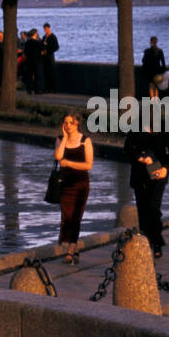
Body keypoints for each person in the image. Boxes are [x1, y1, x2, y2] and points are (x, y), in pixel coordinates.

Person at [123, 116, 169, 258]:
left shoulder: (166, 127)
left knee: (153, 206)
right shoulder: (136, 126)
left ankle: (157, 241)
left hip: (158, 173)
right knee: (142, 208)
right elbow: (127, 149)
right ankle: (148, 240)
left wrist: (166, 168)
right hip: (140, 174)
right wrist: (140, 158)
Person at [54, 111, 94, 262]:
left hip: (81, 185)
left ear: (77, 123)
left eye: (71, 122)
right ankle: (73, 248)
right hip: (64, 184)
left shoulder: (85, 141)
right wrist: (64, 138)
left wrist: (69, 163)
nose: (68, 125)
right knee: (66, 217)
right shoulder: (59, 139)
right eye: (65, 122)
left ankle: (70, 251)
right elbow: (58, 157)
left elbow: (89, 165)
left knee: (76, 217)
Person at [22, 29, 43, 94]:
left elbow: (25, 52)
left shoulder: (27, 43)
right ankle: (37, 90)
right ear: (35, 34)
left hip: (29, 61)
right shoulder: (37, 42)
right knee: (37, 76)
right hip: (36, 61)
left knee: (29, 76)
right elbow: (41, 50)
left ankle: (29, 90)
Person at [41, 23, 59, 93]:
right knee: (45, 74)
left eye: (46, 29)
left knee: (51, 73)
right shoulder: (44, 37)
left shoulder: (53, 37)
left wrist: (48, 51)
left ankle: (53, 89)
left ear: (49, 28)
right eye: (44, 29)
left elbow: (56, 47)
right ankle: (46, 88)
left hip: (50, 57)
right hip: (44, 58)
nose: (45, 30)